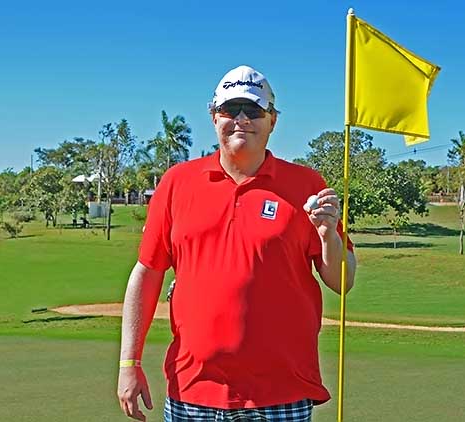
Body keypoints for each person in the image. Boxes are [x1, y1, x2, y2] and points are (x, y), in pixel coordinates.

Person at [117, 65, 357, 422]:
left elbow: (342, 281)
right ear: (214, 117)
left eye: (254, 111)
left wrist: (328, 237)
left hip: (282, 394)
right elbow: (148, 273)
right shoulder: (177, 183)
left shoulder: (306, 184)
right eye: (231, 110)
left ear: (272, 120)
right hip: (192, 391)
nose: (241, 120)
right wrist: (128, 363)